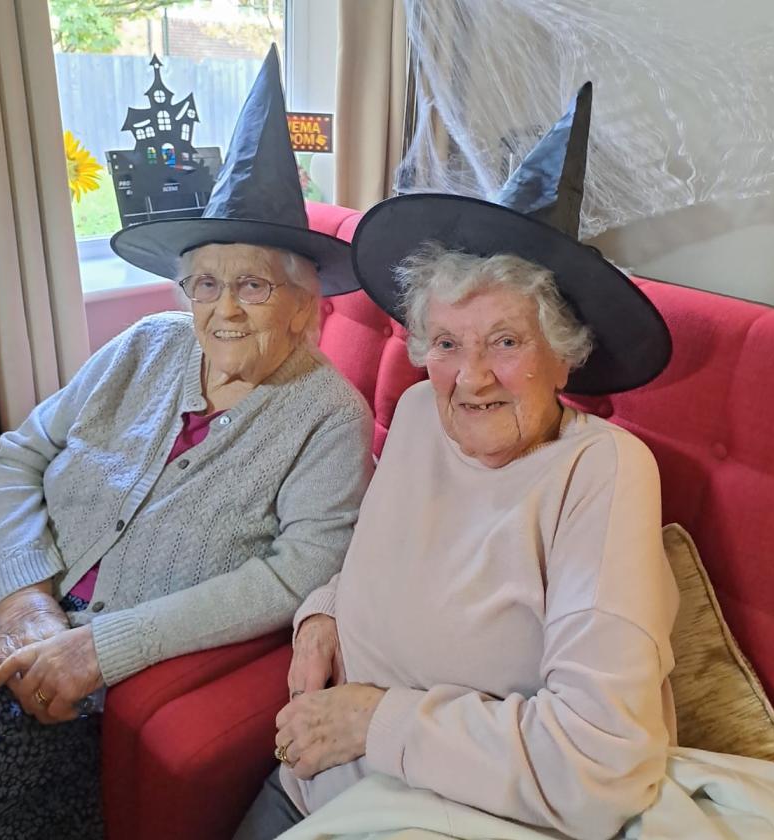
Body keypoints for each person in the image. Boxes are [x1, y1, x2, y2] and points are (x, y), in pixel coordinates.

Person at [235, 83, 680, 840]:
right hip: (317, 776)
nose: (470, 378)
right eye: (446, 343)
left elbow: (600, 761)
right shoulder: (416, 415)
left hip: (448, 812)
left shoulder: (602, 470)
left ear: (564, 356)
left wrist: (375, 721)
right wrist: (323, 615)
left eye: (506, 341)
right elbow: (386, 560)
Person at [0, 45, 371, 840]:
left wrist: (101, 647)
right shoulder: (147, 344)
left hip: (92, 674)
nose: (223, 307)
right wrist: (21, 592)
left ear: (304, 308)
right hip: (2, 603)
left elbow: (298, 573)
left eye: (254, 284)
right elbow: (17, 454)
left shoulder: (330, 416)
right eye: (204, 282)